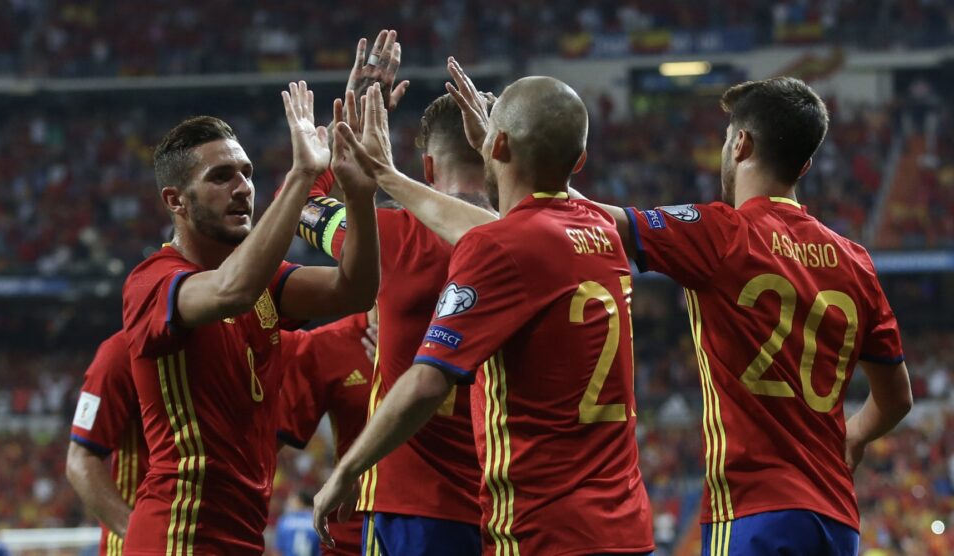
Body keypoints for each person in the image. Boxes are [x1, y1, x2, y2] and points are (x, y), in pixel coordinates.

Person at [385, 67, 915, 555]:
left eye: (727, 138)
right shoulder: (856, 260)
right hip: (838, 520)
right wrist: (856, 434)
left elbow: (578, 224)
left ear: (742, 144)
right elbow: (896, 398)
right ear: (805, 164)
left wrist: (514, 157)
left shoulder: (723, 235)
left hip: (755, 510)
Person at [316, 73, 654, 555]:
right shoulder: (601, 229)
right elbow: (504, 224)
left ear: (496, 144)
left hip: (540, 525)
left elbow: (428, 380)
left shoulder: (493, 247)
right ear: (579, 161)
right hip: (624, 524)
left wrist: (347, 469)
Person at [120, 82, 380, 554]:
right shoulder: (152, 283)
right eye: (221, 177)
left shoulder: (265, 281)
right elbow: (231, 290)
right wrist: (303, 175)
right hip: (180, 534)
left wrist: (359, 195)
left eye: (247, 172)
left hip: (242, 535)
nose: (242, 188)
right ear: (176, 201)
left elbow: (356, 288)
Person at [292, 35, 490, 556]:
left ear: (426, 169)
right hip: (516, 505)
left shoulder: (391, 238)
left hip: (415, 509)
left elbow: (300, 206)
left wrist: (345, 140)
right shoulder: (544, 240)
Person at [276, 309, 378, 556]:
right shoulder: (326, 346)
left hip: (435, 515)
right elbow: (266, 448)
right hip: (349, 531)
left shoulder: (445, 335)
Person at [67, 331, 148, 555]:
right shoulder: (120, 353)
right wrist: (139, 536)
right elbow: (79, 459)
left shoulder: (229, 352)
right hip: (141, 546)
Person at [274, 492, 321, 556]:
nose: (289, 503)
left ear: (300, 501)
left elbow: (278, 550)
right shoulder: (318, 521)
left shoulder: (285, 521)